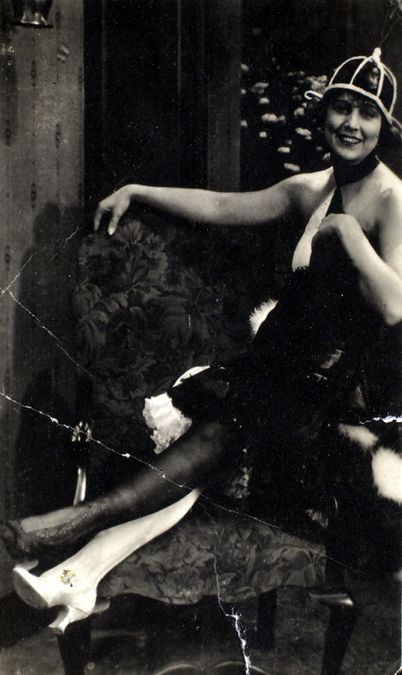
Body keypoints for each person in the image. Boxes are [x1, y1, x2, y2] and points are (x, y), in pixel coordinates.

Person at [2, 48, 402, 633]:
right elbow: (220, 206)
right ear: (324, 115)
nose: (351, 123)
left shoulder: (392, 199)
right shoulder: (311, 189)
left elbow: (395, 305)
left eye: (367, 114)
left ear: (384, 128)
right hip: (277, 381)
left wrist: (347, 231)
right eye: (342, 107)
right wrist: (138, 189)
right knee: (208, 440)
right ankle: (77, 576)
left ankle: (74, 526)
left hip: (331, 409)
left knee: (219, 432)